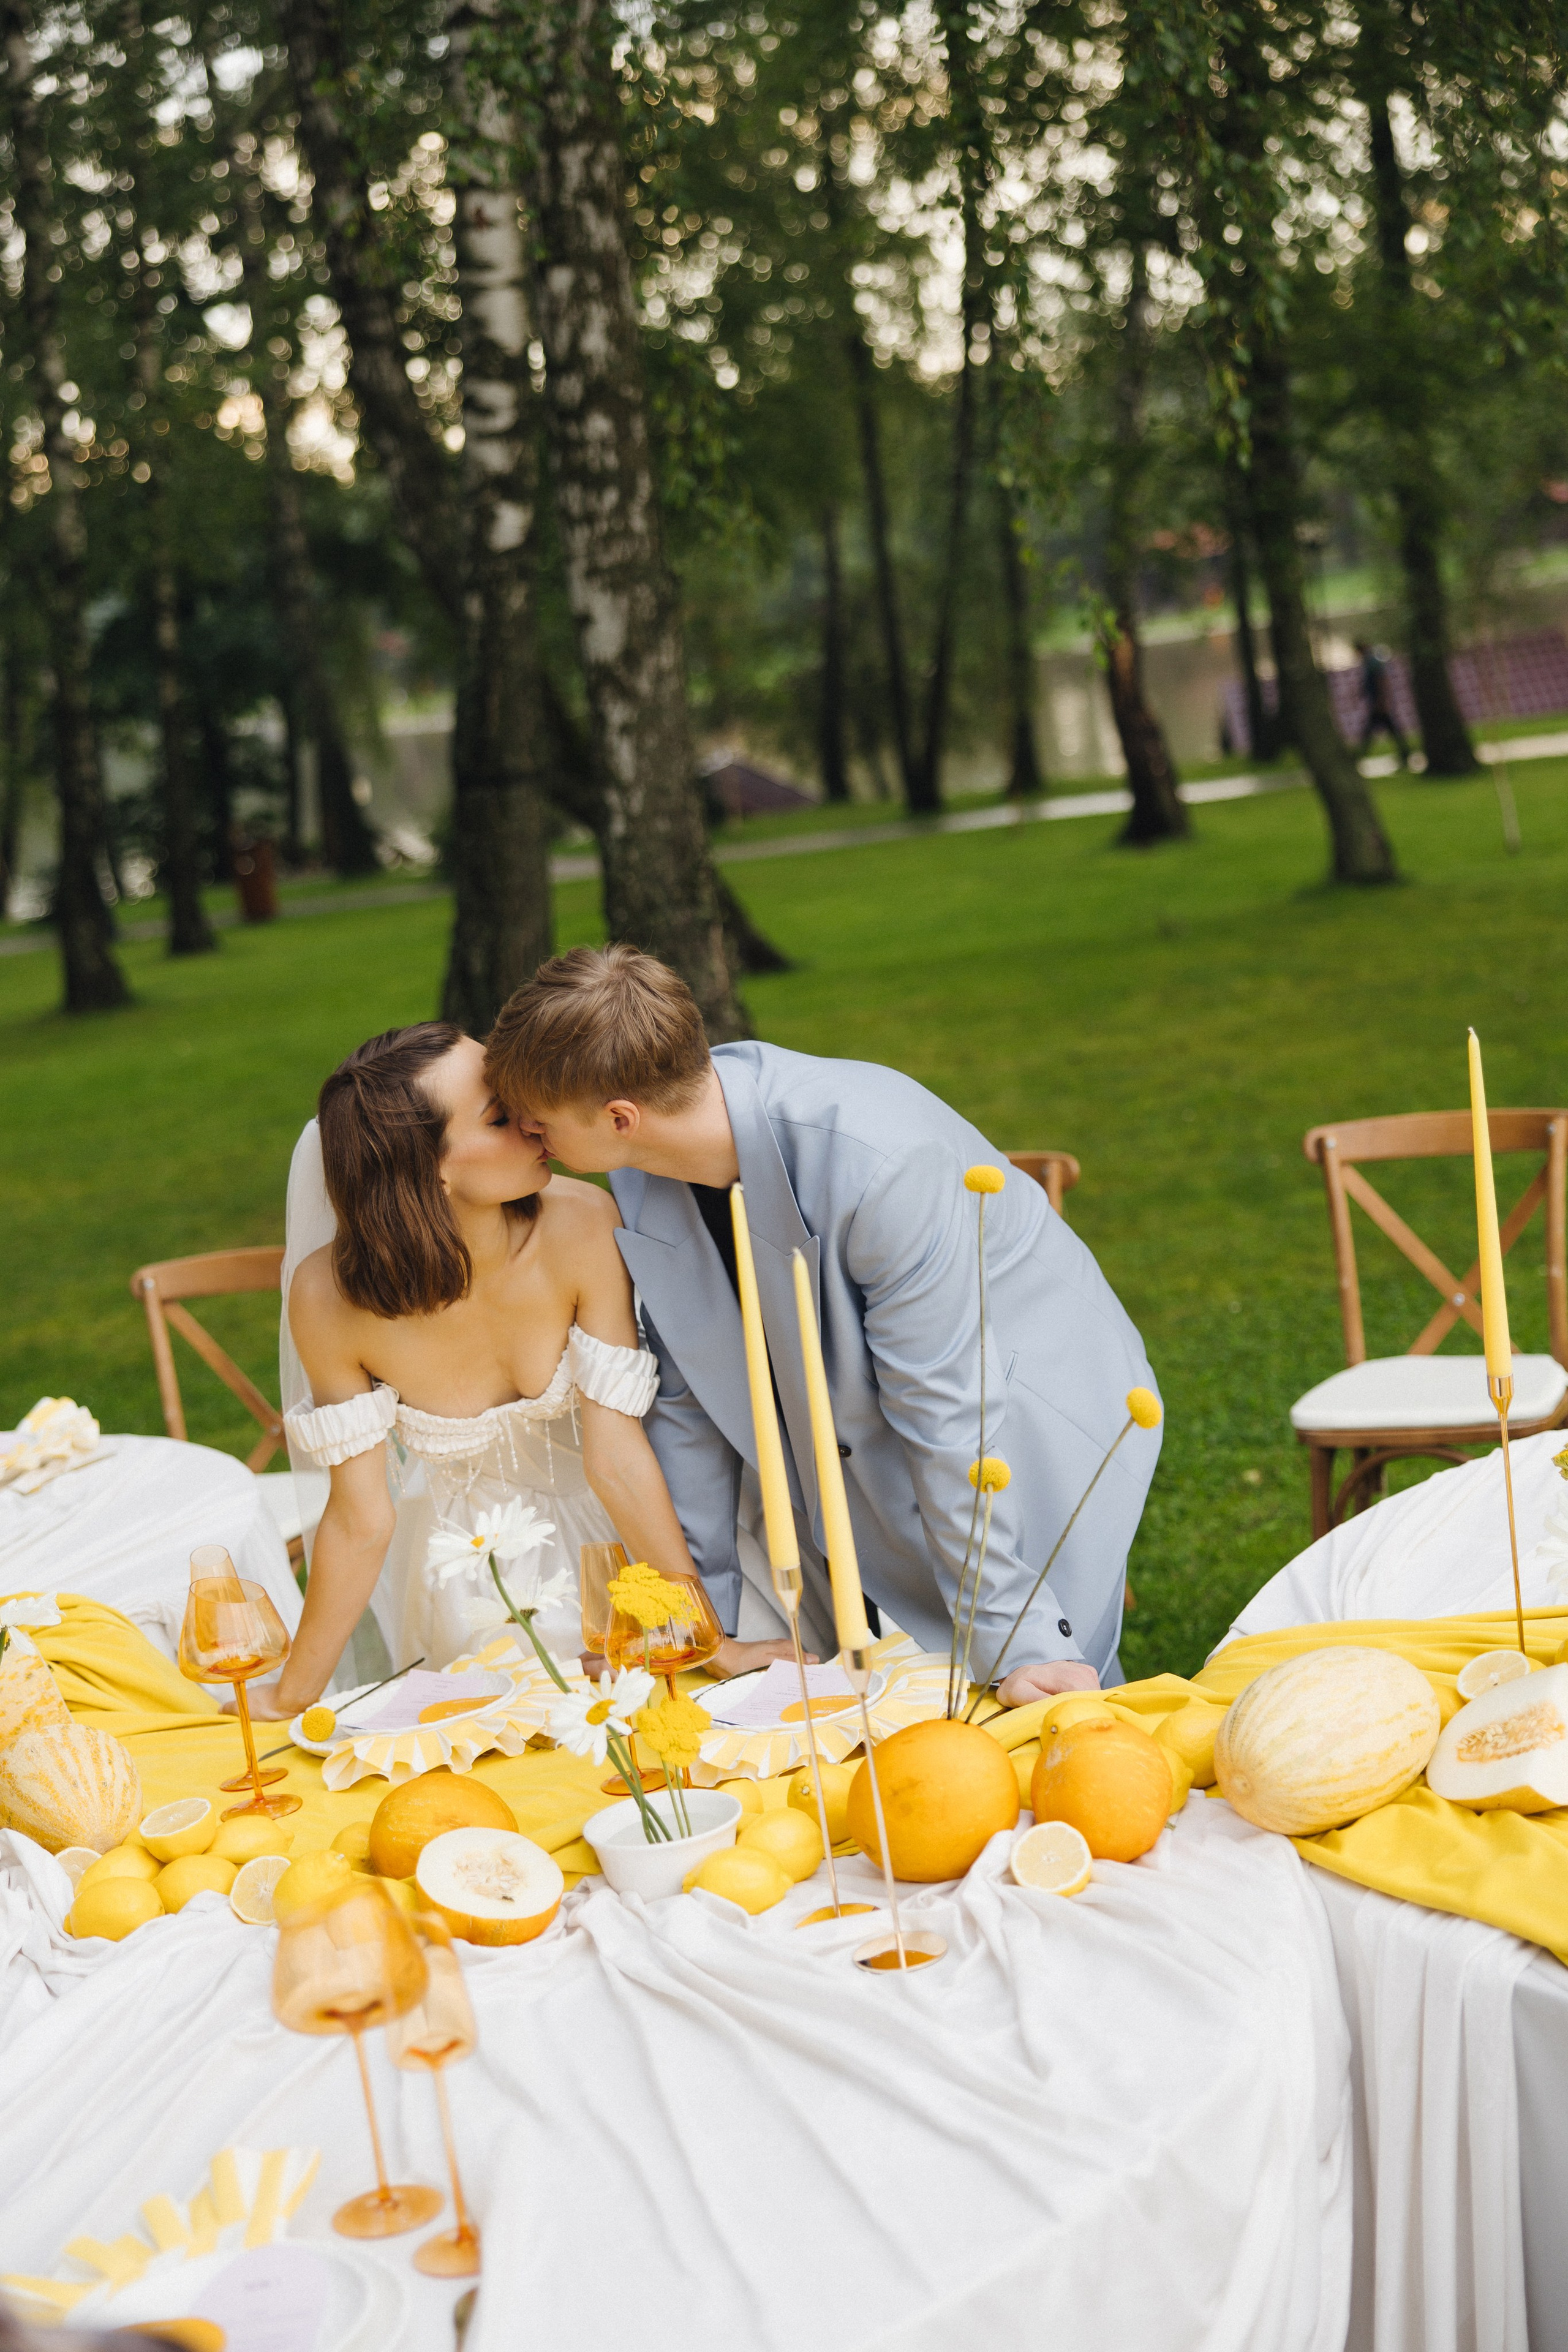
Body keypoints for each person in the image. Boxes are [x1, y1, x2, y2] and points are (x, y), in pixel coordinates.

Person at [485, 947, 1163, 1706]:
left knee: (1047, 1693)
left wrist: (1014, 1638)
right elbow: (685, 1403)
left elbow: (943, 1413)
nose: (525, 1136)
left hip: (1021, 1418)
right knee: (876, 1704)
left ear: (619, 1117)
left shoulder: (879, 1166)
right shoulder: (639, 1168)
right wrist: (684, 1629)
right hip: (858, 1435)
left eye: (537, 1124)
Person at [257, 1023, 796, 1717]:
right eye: (500, 1116)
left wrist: (704, 1638)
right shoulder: (327, 1299)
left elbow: (617, 1459)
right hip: (466, 1585)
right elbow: (360, 1518)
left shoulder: (581, 1223)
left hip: (621, 1555)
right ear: (429, 1168)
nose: (534, 1122)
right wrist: (291, 1696)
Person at [1354, 639, 1410, 766]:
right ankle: (1405, 754)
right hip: (1378, 702)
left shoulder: (1372, 662)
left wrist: (1382, 700)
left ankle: (1358, 757)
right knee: (1390, 730)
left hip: (1379, 702)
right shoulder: (1369, 662)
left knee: (1371, 732)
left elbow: (1381, 680)